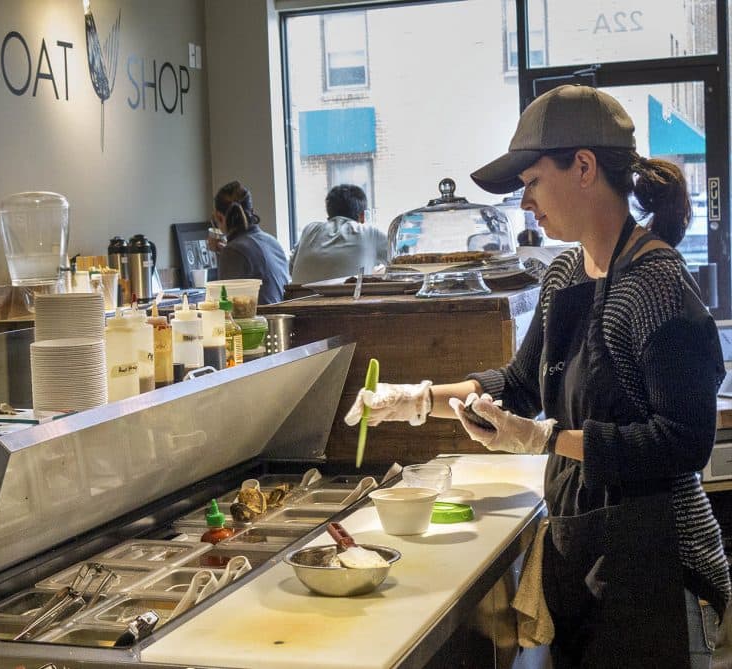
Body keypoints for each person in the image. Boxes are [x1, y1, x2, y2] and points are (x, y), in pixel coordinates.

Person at [345, 85, 729, 668]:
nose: (525, 203)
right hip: (587, 555)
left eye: (531, 182)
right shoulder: (564, 274)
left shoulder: (658, 284)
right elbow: (521, 382)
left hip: (661, 566)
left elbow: (684, 443)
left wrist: (546, 439)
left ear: (583, 167)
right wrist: (419, 398)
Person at [289, 184, 389, 284]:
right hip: (349, 298)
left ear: (329, 213)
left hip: (297, 298)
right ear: (362, 216)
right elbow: (401, 265)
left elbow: (291, 269)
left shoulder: (309, 230)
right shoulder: (370, 233)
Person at [211, 180, 290, 304]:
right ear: (251, 210)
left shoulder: (234, 251)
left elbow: (226, 306)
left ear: (219, 217)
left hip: (257, 322)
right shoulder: (272, 241)